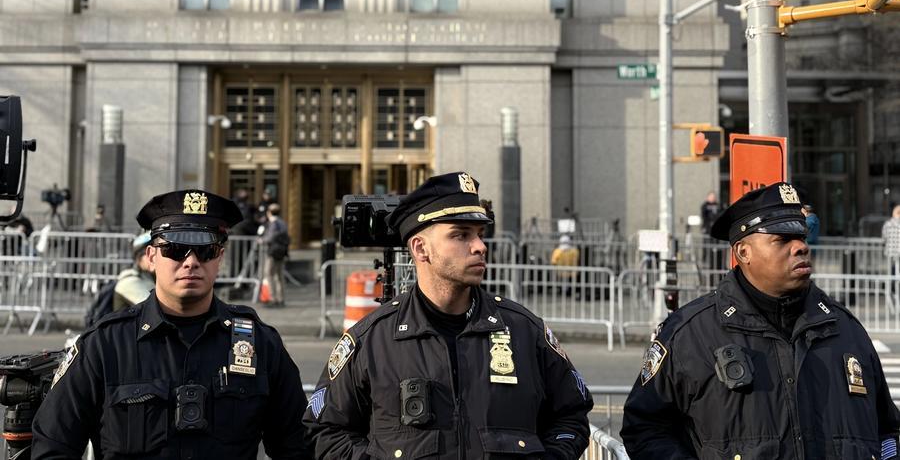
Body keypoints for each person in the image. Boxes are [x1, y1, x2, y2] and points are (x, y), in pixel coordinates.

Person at [303, 171, 593, 458]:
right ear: (420, 248)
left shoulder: (524, 330)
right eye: (461, 235)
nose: (480, 246)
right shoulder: (373, 340)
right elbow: (326, 431)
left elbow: (571, 416)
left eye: (479, 234)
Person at [621, 182, 900, 459]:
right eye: (782, 239)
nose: (800, 247)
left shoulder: (845, 329)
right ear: (743, 252)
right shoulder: (689, 334)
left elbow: (888, 431)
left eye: (802, 236)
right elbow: (645, 429)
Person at [32, 189, 311, 459]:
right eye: (176, 250)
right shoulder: (105, 345)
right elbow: (53, 445)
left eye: (205, 251)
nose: (190, 262)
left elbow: (298, 446)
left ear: (220, 259)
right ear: (152, 257)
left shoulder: (260, 344)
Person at [113, 232, 155, 311]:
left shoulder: (148, 277)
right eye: (148, 253)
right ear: (138, 257)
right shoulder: (129, 282)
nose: (153, 257)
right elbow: (154, 308)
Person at [259, 202, 289, 307]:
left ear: (269, 213)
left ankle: (273, 298)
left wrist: (262, 240)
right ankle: (281, 299)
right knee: (279, 275)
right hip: (282, 252)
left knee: (269, 273)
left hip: (273, 251)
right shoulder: (282, 223)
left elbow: (270, 238)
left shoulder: (273, 223)